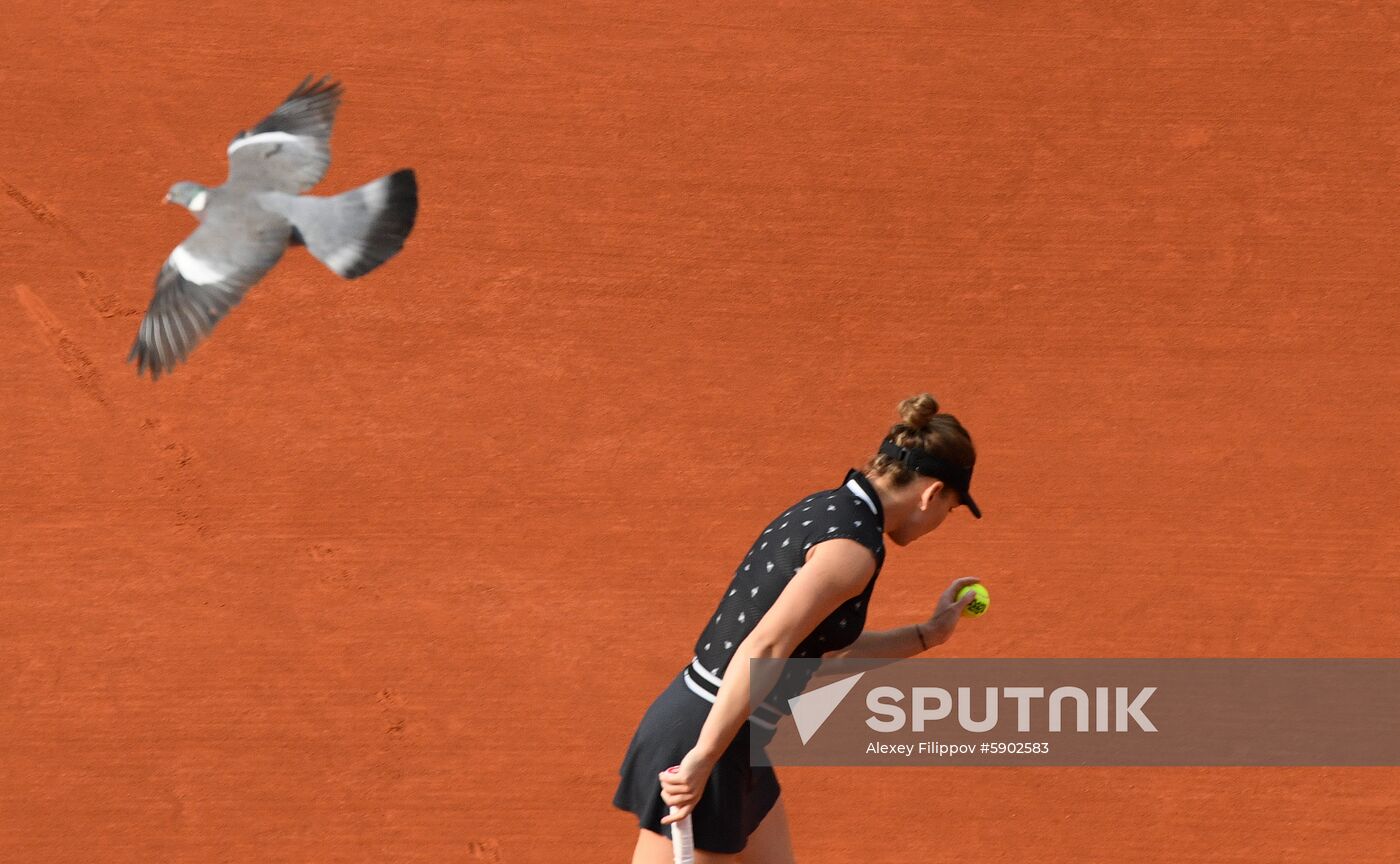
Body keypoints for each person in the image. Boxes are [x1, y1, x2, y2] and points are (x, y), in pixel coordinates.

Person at [612, 392, 985, 863]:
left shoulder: (829, 510)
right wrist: (703, 757)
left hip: (729, 733)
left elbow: (816, 654)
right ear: (932, 493)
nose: (941, 522)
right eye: (950, 510)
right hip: (710, 735)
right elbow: (766, 648)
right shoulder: (854, 551)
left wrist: (927, 635)